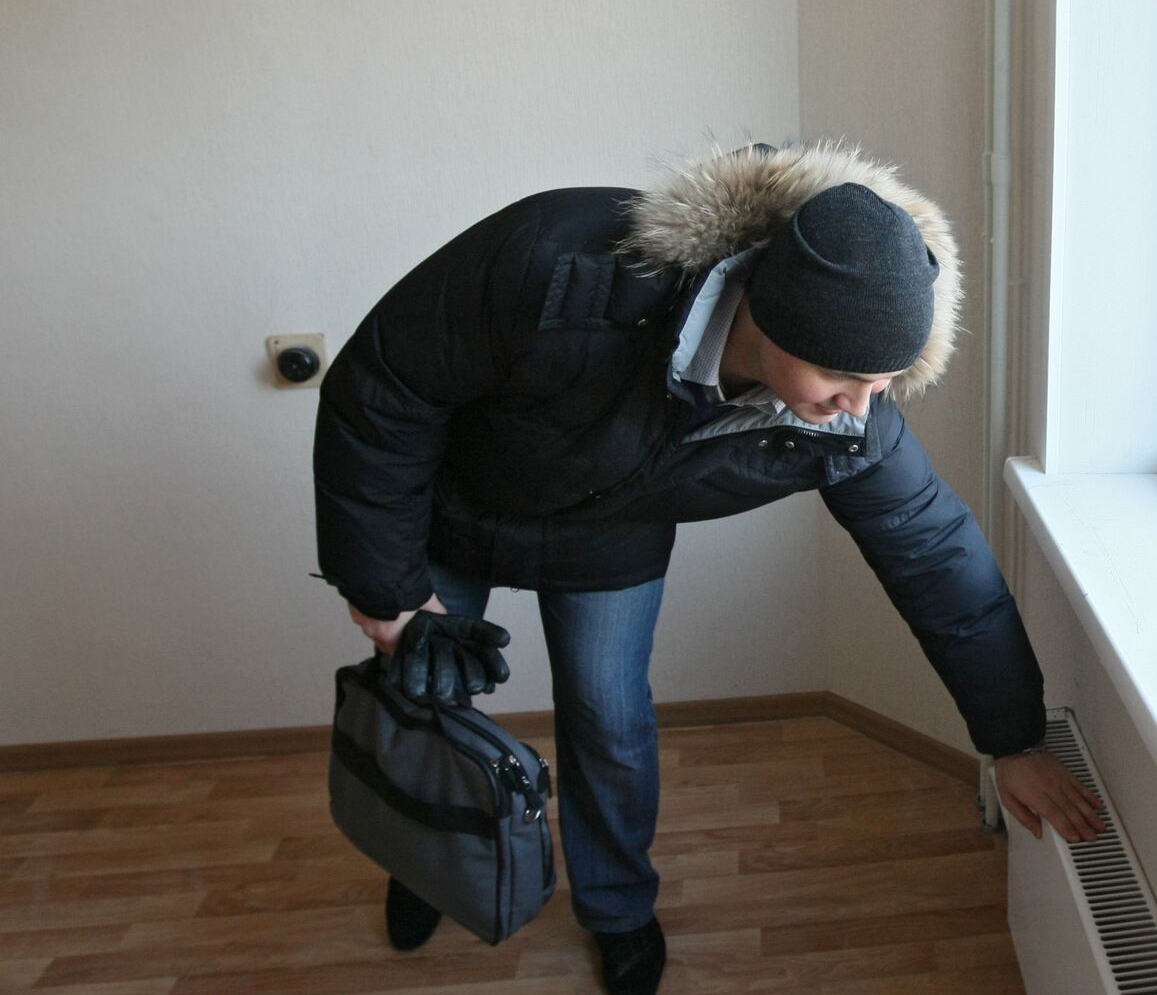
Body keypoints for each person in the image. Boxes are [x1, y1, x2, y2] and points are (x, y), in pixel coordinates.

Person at [310, 140, 1104, 995]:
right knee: (423, 705)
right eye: (841, 377)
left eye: (883, 383)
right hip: (451, 503)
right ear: (769, 314)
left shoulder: (849, 421)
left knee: (610, 722)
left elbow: (939, 561)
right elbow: (383, 388)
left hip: (611, 532)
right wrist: (387, 593)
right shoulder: (564, 261)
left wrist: (1012, 740)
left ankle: (618, 909)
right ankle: (424, 864)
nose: (858, 406)